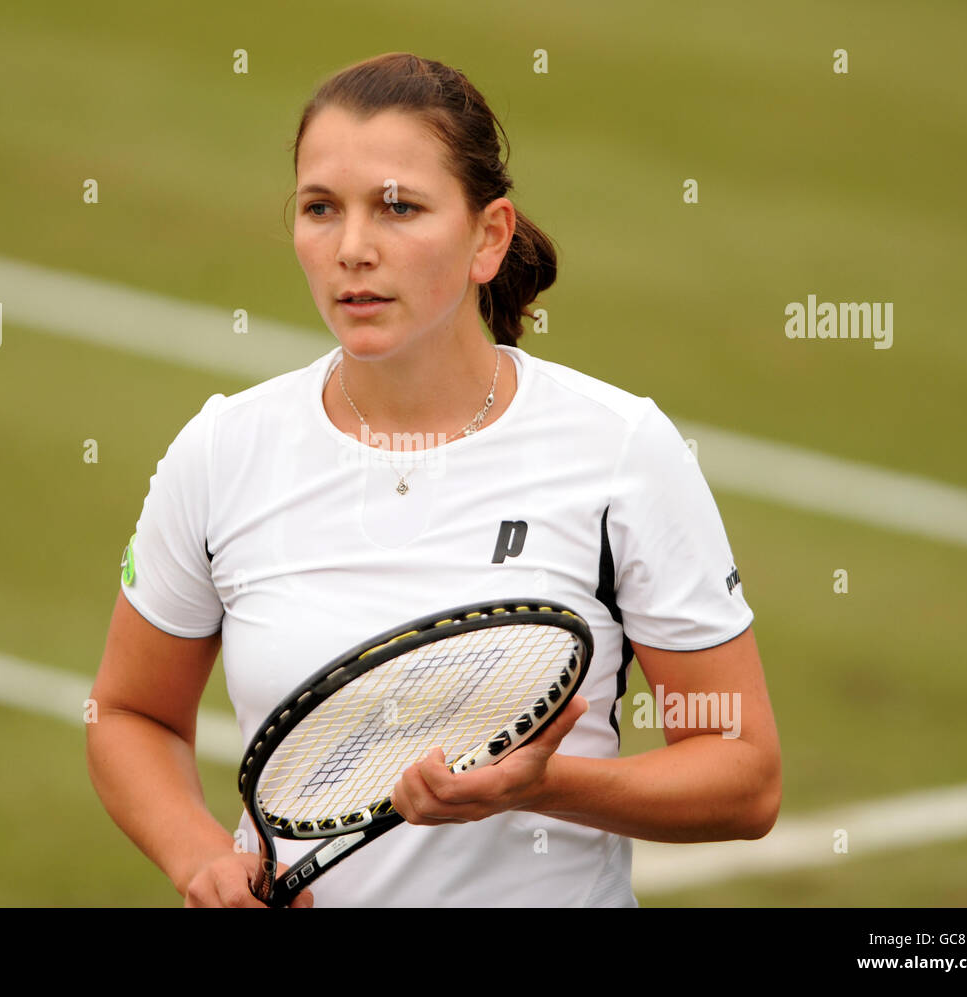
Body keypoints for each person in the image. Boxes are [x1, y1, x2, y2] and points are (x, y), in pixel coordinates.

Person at [86, 52, 780, 907]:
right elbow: (130, 715)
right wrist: (202, 858)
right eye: (319, 209)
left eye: (399, 208)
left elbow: (745, 778)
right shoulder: (224, 449)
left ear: (488, 236)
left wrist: (542, 785)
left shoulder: (621, 450)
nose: (352, 249)